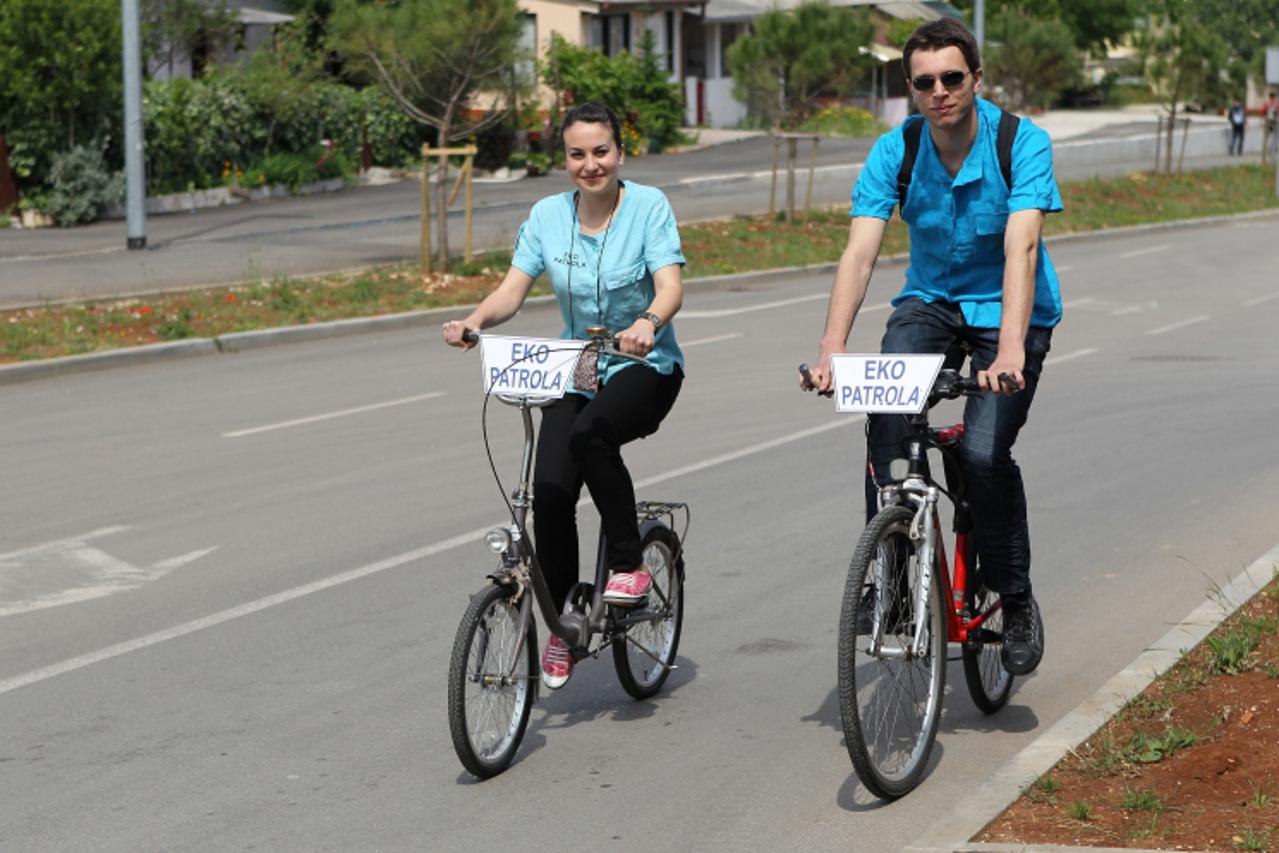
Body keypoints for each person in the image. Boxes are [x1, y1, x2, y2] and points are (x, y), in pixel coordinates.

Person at [802, 18, 1061, 676]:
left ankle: (1016, 595)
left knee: (981, 450)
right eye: (924, 82)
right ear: (910, 90)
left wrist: (1006, 355)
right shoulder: (897, 150)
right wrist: (831, 348)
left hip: (1010, 310)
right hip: (929, 303)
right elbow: (860, 252)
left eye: (952, 77)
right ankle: (889, 581)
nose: (939, 91)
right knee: (887, 415)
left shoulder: (1018, 142)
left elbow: (1020, 246)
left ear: (975, 77)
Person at [443, 102, 686, 690]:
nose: (590, 164)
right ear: (566, 159)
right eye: (577, 154)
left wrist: (649, 321)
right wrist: (475, 321)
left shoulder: (649, 206)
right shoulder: (548, 216)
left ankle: (628, 565)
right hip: (576, 365)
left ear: (619, 153)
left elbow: (670, 285)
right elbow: (512, 291)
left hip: (644, 364)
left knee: (592, 435)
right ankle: (565, 616)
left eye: (600, 151)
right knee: (550, 488)